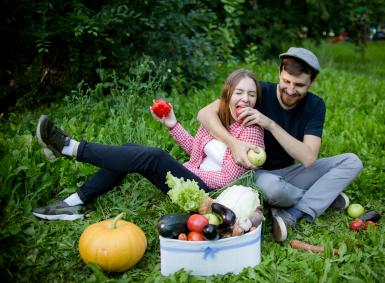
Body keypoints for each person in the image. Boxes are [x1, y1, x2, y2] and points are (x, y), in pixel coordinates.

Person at [32, 69, 264, 221]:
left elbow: (227, 180)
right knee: (130, 147)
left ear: (256, 101)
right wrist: (173, 125)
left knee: (155, 157)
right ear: (227, 96)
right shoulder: (217, 119)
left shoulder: (251, 132)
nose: (245, 99)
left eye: (251, 95)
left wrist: (181, 171)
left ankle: (69, 147)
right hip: (192, 179)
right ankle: (73, 203)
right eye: (239, 92)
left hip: (210, 198)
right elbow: (197, 154)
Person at [197, 47, 363, 241]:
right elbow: (204, 114)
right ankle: (321, 197)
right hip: (255, 174)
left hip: (290, 172)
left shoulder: (315, 105)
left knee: (352, 162)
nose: (291, 90)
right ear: (280, 73)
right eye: (286, 81)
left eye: (299, 85)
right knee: (274, 189)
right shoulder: (256, 92)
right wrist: (233, 143)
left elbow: (308, 158)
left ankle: (292, 212)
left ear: (312, 82)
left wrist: (269, 123)